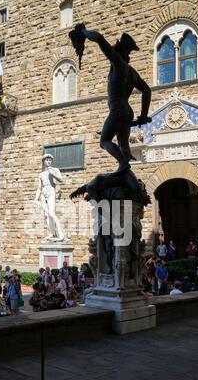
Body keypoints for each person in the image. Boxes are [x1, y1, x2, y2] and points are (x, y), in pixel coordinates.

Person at [69, 23, 151, 171]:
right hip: (127, 111)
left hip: (118, 109)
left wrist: (83, 31)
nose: (113, 46)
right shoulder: (132, 72)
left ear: (119, 50)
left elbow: (99, 38)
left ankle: (123, 164)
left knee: (104, 141)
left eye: (116, 45)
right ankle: (125, 171)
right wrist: (143, 115)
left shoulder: (117, 62)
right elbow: (147, 90)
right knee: (124, 147)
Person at [34, 154, 65, 241]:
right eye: (46, 160)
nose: (48, 161)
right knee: (46, 215)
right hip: (43, 194)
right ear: (43, 161)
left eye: (50, 160)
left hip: (51, 192)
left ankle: (61, 234)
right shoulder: (41, 174)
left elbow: (61, 179)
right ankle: (51, 233)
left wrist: (53, 174)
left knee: (52, 213)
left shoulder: (55, 170)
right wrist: (36, 198)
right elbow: (39, 188)